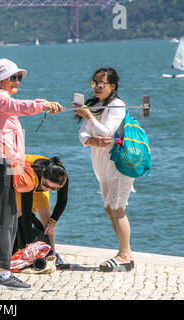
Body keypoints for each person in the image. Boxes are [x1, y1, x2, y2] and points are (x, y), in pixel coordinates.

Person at [0, 58, 63, 290]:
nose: (17, 81)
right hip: (0, 166)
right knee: (3, 221)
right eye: (13, 77)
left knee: (0, 219)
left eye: (19, 77)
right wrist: (43, 104)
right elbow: (19, 107)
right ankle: (1, 275)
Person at [73, 67, 135, 272]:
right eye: (95, 83)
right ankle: (123, 252)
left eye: (102, 83)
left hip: (118, 164)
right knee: (109, 207)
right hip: (102, 165)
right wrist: (92, 139)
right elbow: (82, 135)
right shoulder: (97, 106)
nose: (98, 86)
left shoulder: (117, 105)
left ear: (113, 86)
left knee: (117, 208)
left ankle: (126, 254)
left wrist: (89, 117)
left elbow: (108, 132)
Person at [14, 155, 69, 265]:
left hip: (37, 186)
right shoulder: (31, 174)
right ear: (43, 174)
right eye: (46, 185)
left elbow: (62, 201)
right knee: (18, 214)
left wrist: (52, 222)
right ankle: (16, 249)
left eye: (53, 188)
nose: (47, 189)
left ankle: (52, 252)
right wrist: (29, 244)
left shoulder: (61, 178)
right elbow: (26, 212)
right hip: (23, 179)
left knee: (47, 219)